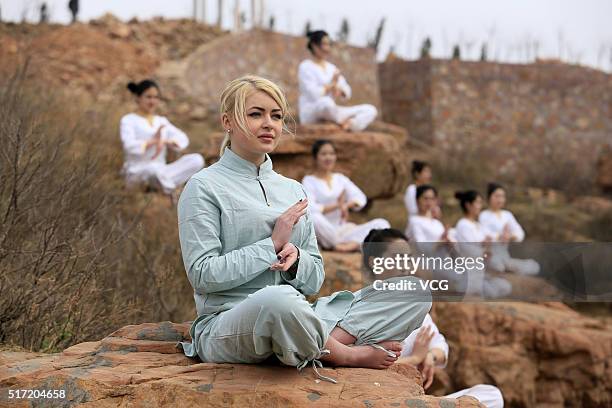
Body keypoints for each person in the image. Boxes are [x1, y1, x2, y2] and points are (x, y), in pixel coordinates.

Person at [177, 75, 431, 383]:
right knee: (278, 301)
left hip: (298, 311)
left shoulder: (292, 189)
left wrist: (296, 258)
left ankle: (315, 342)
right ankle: (343, 353)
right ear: (227, 121)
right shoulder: (204, 186)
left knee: (413, 292)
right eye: (255, 114)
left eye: (277, 116)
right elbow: (203, 275)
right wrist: (270, 245)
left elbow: (314, 281)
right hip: (230, 323)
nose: (269, 124)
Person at [362, 229, 504, 408]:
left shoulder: (413, 306)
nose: (405, 265)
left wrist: (430, 357)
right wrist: (413, 360)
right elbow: (362, 364)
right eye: (397, 257)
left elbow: (440, 345)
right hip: (380, 398)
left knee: (491, 395)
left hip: (414, 400)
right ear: (375, 263)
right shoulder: (362, 308)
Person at [119, 79, 204, 200]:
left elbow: (182, 138)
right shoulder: (128, 120)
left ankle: (164, 185)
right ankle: (172, 190)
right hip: (138, 171)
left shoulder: (161, 121)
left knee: (197, 159)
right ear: (138, 98)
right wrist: (152, 142)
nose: (152, 101)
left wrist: (167, 142)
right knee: (152, 170)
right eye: (148, 97)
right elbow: (129, 145)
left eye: (155, 97)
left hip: (161, 170)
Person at [302, 139, 390, 252]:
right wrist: (338, 205)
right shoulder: (309, 181)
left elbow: (360, 198)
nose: (328, 158)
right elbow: (311, 208)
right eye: (324, 154)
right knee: (313, 218)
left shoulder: (340, 178)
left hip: (343, 230)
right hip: (324, 230)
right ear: (315, 157)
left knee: (382, 223)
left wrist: (347, 206)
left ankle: (350, 244)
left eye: (331, 154)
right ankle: (346, 244)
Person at [298, 30, 377, 131]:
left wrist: (340, 91)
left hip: (332, 111)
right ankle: (340, 120)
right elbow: (313, 93)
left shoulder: (332, 68)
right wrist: (332, 85)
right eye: (324, 44)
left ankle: (350, 125)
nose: (327, 48)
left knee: (370, 110)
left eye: (329, 44)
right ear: (314, 45)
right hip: (313, 111)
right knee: (325, 102)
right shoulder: (305, 66)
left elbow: (347, 91)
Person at [453, 191, 512, 298]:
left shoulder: (477, 225)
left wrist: (504, 235)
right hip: (468, 273)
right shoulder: (463, 225)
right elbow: (470, 250)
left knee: (505, 286)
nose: (480, 206)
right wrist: (485, 248)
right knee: (490, 292)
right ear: (468, 205)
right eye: (478, 203)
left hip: (480, 273)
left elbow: (491, 237)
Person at [479, 183, 539, 275]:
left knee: (534, 266)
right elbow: (484, 234)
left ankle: (508, 268)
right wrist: (500, 236)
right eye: (497, 196)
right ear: (489, 197)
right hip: (491, 254)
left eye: (502, 196)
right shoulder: (484, 215)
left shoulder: (507, 215)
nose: (500, 199)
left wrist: (510, 236)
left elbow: (520, 233)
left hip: (504, 255)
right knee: (498, 266)